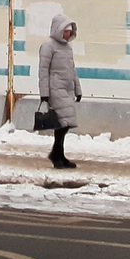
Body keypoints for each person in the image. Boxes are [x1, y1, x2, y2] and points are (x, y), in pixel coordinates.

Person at [37, 12, 81, 169]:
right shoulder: (48, 46)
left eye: (69, 31)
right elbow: (43, 71)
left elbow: (72, 70)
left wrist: (78, 89)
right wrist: (44, 93)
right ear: (58, 29)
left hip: (67, 90)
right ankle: (57, 155)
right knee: (62, 123)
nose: (68, 34)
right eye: (66, 31)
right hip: (55, 89)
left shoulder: (67, 48)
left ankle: (58, 154)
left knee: (65, 123)